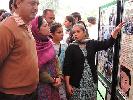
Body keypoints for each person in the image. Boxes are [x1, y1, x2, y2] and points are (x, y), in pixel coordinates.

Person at [63, 22, 124, 100]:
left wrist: (115, 31)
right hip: (76, 84)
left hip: (91, 82)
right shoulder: (71, 47)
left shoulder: (92, 43)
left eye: (78, 31)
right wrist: (68, 85)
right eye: (74, 32)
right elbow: (67, 68)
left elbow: (107, 44)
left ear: (84, 33)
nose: (75, 34)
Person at [0, 0, 39, 100]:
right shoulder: (6, 28)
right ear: (18, 3)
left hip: (31, 91)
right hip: (14, 95)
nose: (36, 8)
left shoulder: (26, 25)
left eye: (37, 4)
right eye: (32, 3)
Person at [31, 16, 62, 100]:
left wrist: (59, 76)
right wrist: (53, 80)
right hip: (42, 85)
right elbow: (37, 70)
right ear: (37, 30)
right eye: (45, 26)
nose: (48, 27)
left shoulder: (49, 42)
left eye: (48, 25)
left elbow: (55, 60)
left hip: (55, 83)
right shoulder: (32, 46)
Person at [50, 22, 68, 100]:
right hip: (51, 78)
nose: (62, 34)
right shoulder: (48, 46)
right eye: (59, 32)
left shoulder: (65, 46)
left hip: (62, 77)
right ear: (52, 34)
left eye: (62, 32)